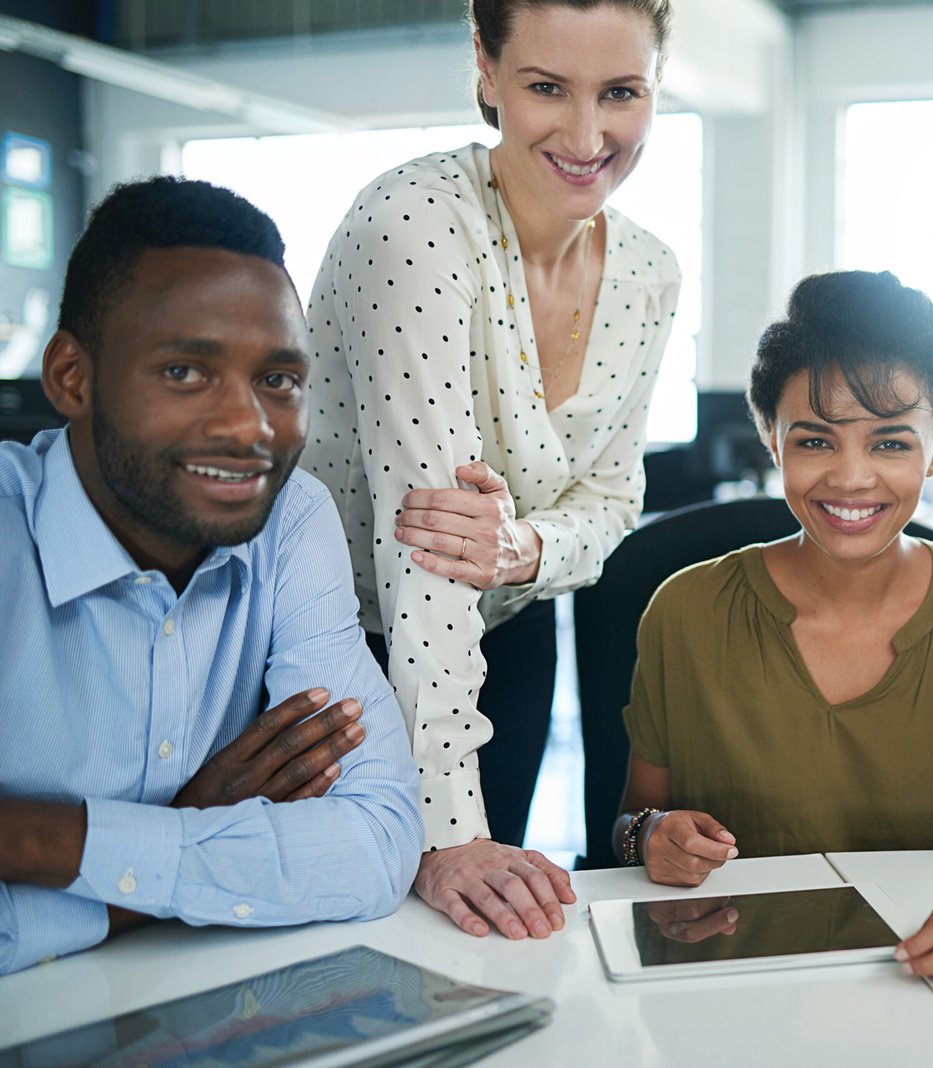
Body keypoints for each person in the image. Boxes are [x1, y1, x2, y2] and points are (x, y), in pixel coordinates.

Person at [300, 0, 679, 939]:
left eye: (621, 93)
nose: (588, 136)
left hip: (507, 636)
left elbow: (614, 498)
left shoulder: (649, 271)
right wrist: (449, 835)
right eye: (547, 87)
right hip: (345, 647)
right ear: (486, 66)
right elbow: (426, 553)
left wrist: (523, 547)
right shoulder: (416, 228)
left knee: (480, 949)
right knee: (360, 940)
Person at [0, 177, 423, 976]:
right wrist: (195, 838)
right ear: (71, 377)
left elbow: (375, 846)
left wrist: (40, 839)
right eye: (185, 372)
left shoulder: (291, 515)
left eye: (279, 379)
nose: (248, 427)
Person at [615, 271, 933, 982]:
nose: (852, 478)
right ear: (771, 439)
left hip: (919, 963)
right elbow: (633, 818)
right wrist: (651, 840)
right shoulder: (685, 609)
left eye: (890, 444)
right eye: (816, 442)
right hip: (727, 976)